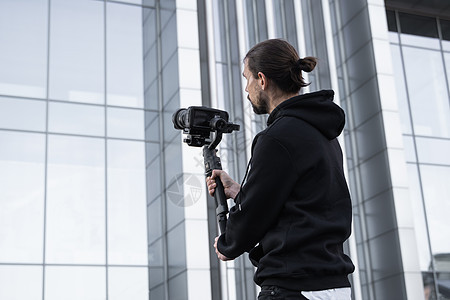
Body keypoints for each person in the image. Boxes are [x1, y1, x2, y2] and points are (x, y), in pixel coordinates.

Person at [206, 38, 355, 300]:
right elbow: (298, 202)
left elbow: (254, 214)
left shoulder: (277, 137)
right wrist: (239, 191)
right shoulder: (324, 135)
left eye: (247, 78)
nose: (246, 88)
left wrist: (228, 243)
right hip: (333, 286)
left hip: (293, 285)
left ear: (262, 80)